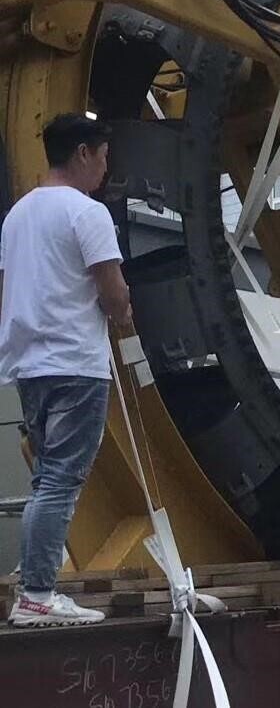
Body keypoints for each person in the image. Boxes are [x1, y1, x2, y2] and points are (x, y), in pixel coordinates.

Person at [0, 113, 131, 627]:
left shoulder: (17, 215)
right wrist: (123, 311)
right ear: (82, 153)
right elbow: (112, 291)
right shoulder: (87, 212)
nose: (104, 168)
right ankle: (37, 594)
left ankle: (35, 584)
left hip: (29, 364)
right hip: (76, 363)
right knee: (59, 480)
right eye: (103, 157)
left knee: (46, 478)